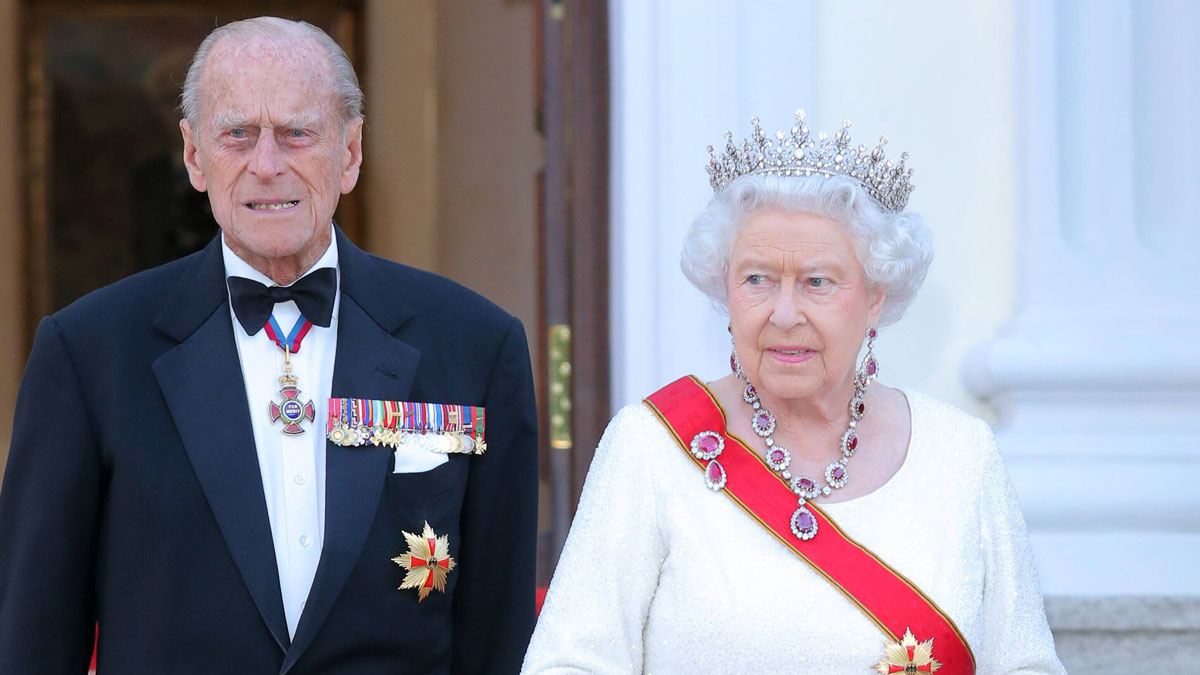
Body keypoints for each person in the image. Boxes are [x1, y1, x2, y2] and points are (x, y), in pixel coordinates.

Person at [0, 17, 538, 674]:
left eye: (297, 133)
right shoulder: (89, 353)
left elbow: (498, 639)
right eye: (238, 135)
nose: (266, 164)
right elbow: (31, 641)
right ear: (195, 156)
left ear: (351, 151)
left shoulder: (476, 347)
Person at [523, 111, 1065, 674]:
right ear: (725, 288)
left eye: (817, 282)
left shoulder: (961, 455)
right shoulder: (652, 447)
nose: (784, 314)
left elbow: (1026, 665)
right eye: (757, 279)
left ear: (875, 297)